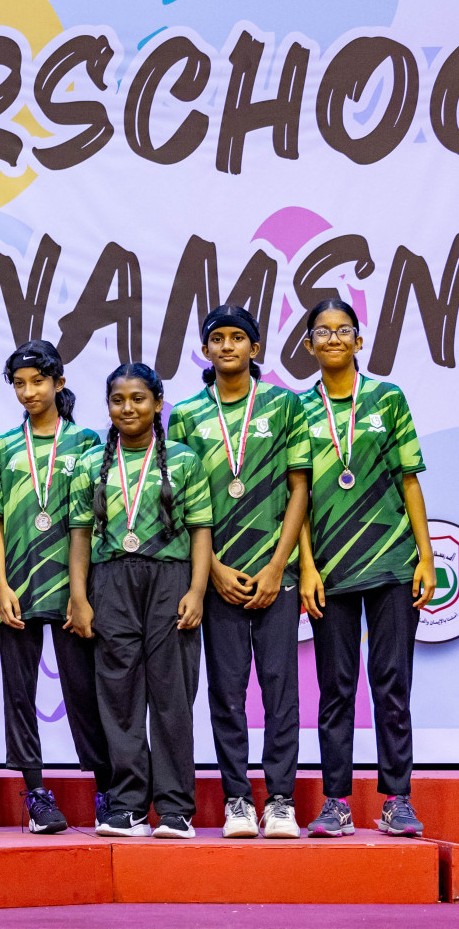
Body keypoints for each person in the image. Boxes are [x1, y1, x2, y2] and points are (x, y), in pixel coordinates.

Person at [166, 306, 309, 839]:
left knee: (280, 692)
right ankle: (236, 801)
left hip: (279, 576)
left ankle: (280, 801)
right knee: (226, 694)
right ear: (205, 351)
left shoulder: (284, 405)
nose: (227, 347)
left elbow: (300, 488)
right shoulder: (184, 415)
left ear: (255, 348)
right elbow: (177, 504)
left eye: (238, 338)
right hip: (217, 578)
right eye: (217, 339)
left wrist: (277, 566)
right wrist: (214, 571)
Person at [297, 297, 434, 838]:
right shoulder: (297, 411)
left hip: (393, 565)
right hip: (329, 570)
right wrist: (306, 567)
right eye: (322, 331)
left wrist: (425, 556)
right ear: (308, 345)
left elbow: (409, 481)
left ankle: (397, 800)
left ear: (359, 340)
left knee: (392, 684)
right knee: (336, 688)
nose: (333, 338)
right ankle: (335, 802)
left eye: (343, 330)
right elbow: (297, 495)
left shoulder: (388, 398)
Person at [69, 364, 211, 839]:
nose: (127, 408)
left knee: (172, 697)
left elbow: (200, 533)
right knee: (119, 697)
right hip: (110, 583)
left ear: (157, 403)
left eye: (138, 399)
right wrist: (79, 597)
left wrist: (196, 589)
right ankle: (127, 805)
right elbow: (80, 536)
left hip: (170, 580)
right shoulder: (92, 463)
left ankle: (175, 809)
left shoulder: (185, 460)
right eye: (117, 400)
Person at [0, 340, 110, 834]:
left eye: (38, 381)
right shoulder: (1, 447)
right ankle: (36, 793)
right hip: (18, 585)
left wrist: (84, 595)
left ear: (59, 383)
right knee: (19, 693)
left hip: (73, 591)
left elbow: (98, 522)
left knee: (85, 691)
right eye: (19, 383)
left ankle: (107, 790)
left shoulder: (89, 444)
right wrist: (2, 584)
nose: (28, 391)